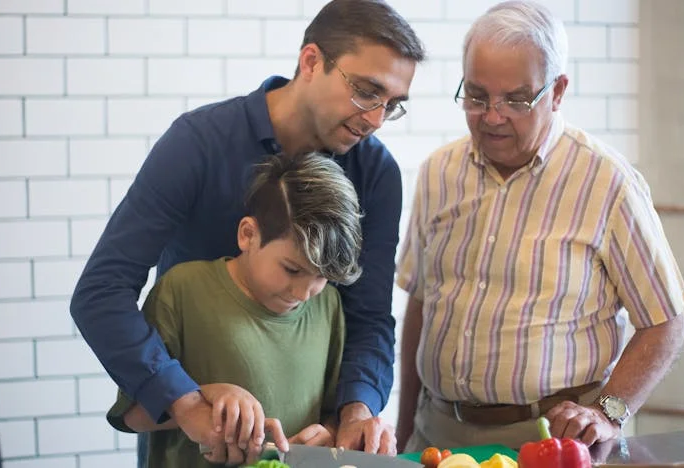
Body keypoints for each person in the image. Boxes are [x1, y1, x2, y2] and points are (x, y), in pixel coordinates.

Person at [69, 0, 425, 464]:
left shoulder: (376, 173)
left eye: (392, 105)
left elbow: (369, 316)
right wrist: (185, 401)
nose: (376, 119)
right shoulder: (199, 143)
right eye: (366, 91)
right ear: (311, 62)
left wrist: (355, 412)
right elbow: (101, 292)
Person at [395, 0, 684, 452]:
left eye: (516, 99)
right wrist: (403, 431)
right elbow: (421, 303)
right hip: (436, 433)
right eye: (476, 96)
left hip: (552, 439)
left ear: (557, 91)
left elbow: (666, 322)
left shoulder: (607, 183)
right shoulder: (439, 172)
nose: (493, 116)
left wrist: (608, 413)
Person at [106, 153, 362, 467]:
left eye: (321, 276)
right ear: (248, 235)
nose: (303, 293)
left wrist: (328, 433)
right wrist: (198, 398)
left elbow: (332, 411)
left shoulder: (328, 304)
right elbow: (131, 416)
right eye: (292, 269)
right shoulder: (182, 289)